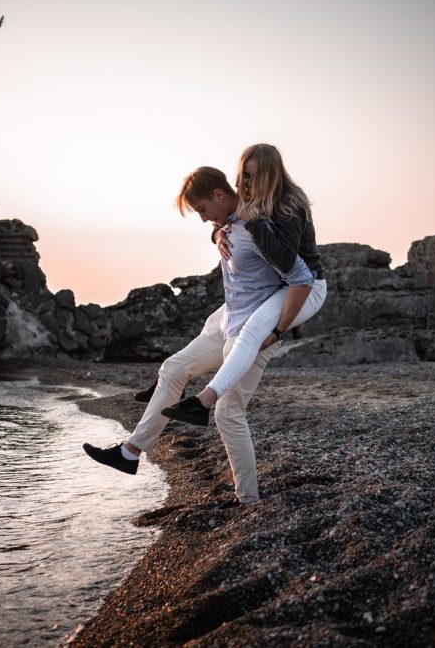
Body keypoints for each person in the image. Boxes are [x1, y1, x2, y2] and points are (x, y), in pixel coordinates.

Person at [83, 160, 323, 504]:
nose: (202, 217)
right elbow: (229, 231)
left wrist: (280, 328)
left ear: (219, 194)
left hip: (253, 331)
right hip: (229, 322)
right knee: (174, 368)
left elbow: (297, 273)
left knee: (228, 413)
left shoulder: (261, 225)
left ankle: (248, 500)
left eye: (202, 209)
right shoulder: (227, 224)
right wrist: (217, 231)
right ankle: (130, 453)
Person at [162, 143, 326, 424]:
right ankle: (169, 385)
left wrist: (277, 332)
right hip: (282, 284)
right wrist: (217, 234)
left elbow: (289, 263)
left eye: (251, 176)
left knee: (250, 334)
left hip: (305, 284)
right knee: (215, 325)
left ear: (269, 175)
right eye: (243, 175)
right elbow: (228, 217)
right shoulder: (255, 200)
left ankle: (203, 400)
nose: (244, 183)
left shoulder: (289, 205)